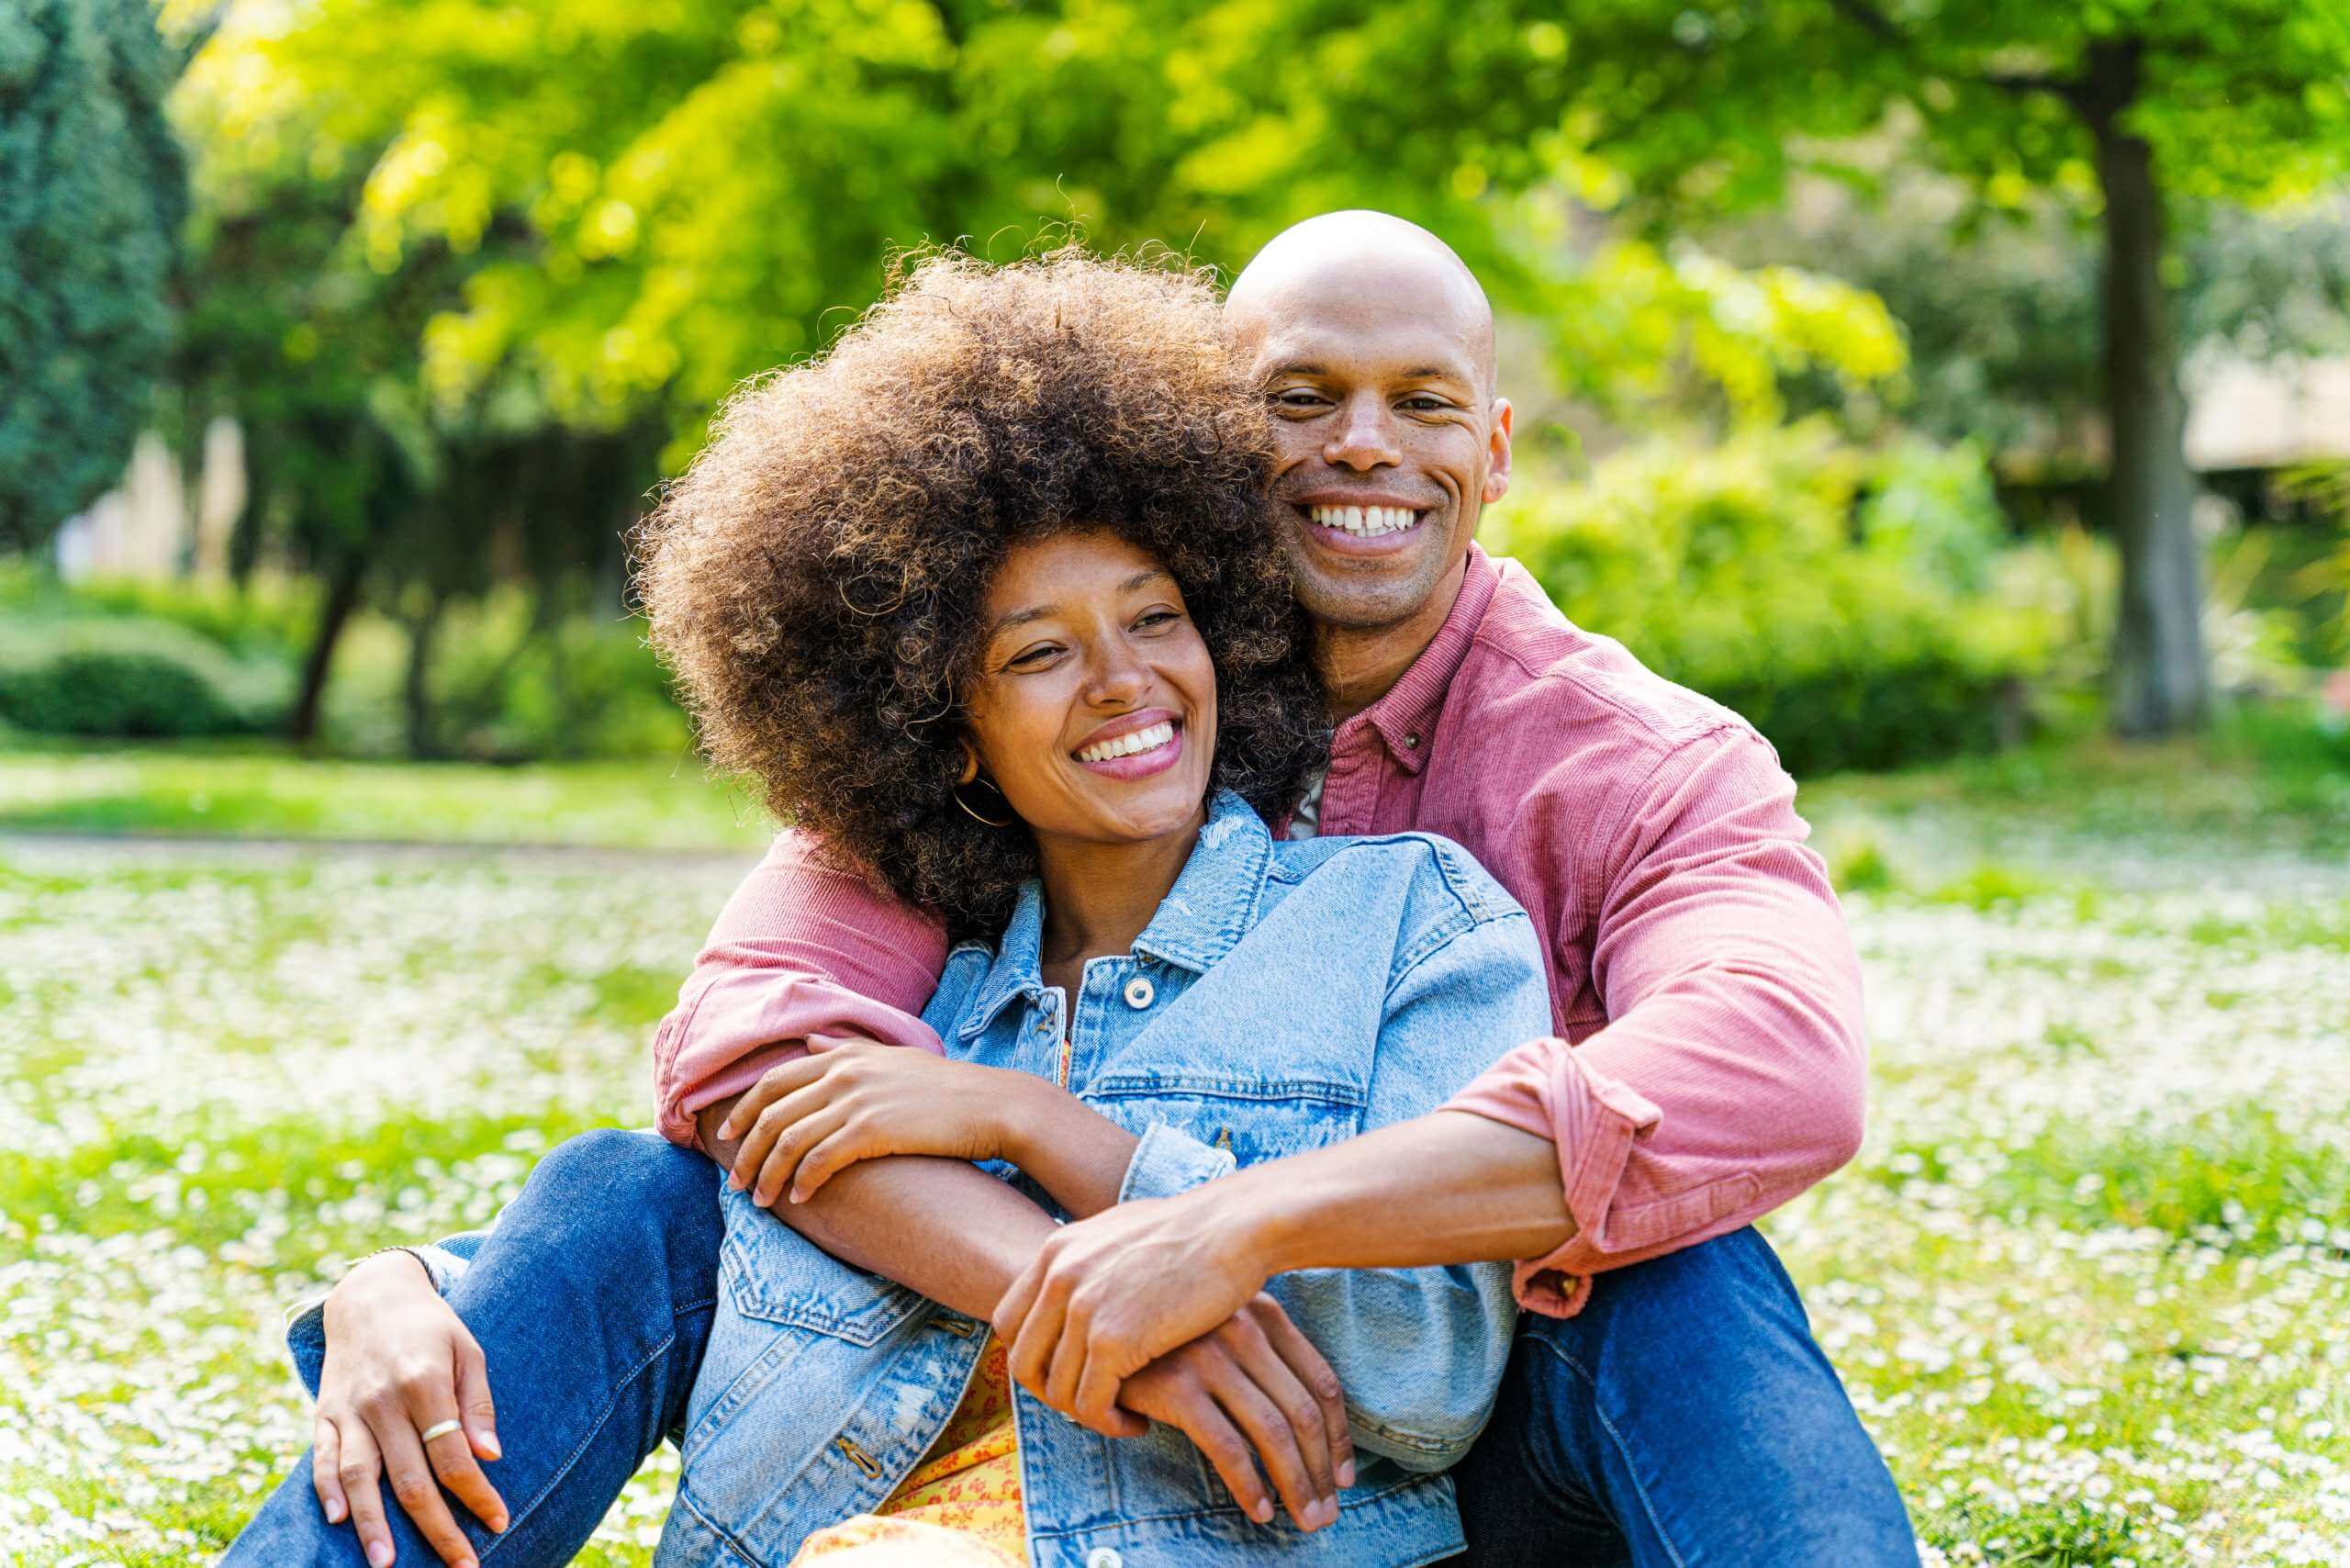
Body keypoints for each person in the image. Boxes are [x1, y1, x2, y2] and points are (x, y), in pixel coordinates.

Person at [233, 211, 1919, 1568]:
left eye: (1419, 402)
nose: (1361, 446)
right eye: (1300, 395)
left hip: (1436, 1430)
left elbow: (1774, 1065)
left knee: (1678, 1264)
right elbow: (751, 1061)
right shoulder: (1015, 738)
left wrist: (1220, 1226)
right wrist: (428, 1281)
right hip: (1049, 1406)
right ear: (1210, 434)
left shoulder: (1611, 764)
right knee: (626, 1196)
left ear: (1494, 448)